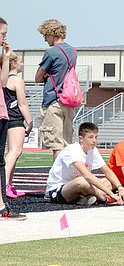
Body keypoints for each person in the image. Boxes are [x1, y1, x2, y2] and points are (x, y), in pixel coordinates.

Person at [44, 122, 124, 206]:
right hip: (59, 190)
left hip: (82, 187)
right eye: (91, 137)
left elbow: (107, 171)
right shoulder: (72, 150)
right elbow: (87, 176)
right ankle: (103, 197)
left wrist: (120, 188)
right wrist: (111, 194)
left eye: (96, 137)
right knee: (82, 181)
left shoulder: (93, 150)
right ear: (81, 138)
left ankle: (86, 198)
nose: (94, 141)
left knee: (110, 180)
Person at [33, 19, 77, 160]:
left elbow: (38, 77)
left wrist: (46, 75)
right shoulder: (73, 51)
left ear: (52, 33)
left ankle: (57, 179)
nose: (45, 40)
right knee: (67, 142)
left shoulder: (51, 53)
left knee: (56, 145)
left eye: (45, 36)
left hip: (53, 100)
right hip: (69, 100)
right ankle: (66, 177)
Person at [0, 18, 26, 220]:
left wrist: (6, 57)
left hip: (3, 113)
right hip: (10, 116)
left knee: (1, 160)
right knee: (10, 154)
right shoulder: (18, 81)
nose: (5, 37)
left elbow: (2, 82)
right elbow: (22, 103)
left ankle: (2, 205)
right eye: (2, 33)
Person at [3, 52, 32, 199]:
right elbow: (22, 103)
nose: (23, 64)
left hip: (6, 117)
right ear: (13, 64)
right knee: (15, 151)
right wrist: (30, 121)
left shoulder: (4, 79)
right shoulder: (17, 80)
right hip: (15, 118)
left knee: (11, 152)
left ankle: (9, 185)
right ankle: (4, 185)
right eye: (21, 61)